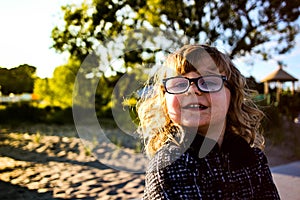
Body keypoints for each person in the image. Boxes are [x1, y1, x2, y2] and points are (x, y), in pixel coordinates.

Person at [136, 44, 280, 199]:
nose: (191, 90)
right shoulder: (168, 165)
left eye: (209, 82)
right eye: (178, 84)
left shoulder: (254, 159)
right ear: (164, 99)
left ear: (232, 95)